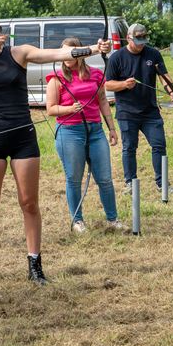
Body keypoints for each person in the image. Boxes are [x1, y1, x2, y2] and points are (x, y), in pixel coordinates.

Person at [0, 14, 111, 286]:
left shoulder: (19, 53)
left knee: (29, 203)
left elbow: (56, 53)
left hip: (22, 136)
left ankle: (35, 264)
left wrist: (92, 49)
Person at [45, 37, 123, 234]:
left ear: (81, 53)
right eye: (63, 52)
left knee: (105, 178)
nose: (67, 57)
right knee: (74, 178)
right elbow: (51, 109)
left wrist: (112, 128)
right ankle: (77, 221)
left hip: (95, 131)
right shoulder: (56, 79)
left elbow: (103, 101)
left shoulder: (96, 75)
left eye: (71, 52)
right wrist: (69, 108)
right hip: (69, 132)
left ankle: (113, 219)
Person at [105, 23, 173, 195]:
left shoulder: (153, 54)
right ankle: (130, 183)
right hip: (127, 112)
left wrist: (172, 91)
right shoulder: (117, 57)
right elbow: (108, 84)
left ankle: (162, 183)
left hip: (150, 111)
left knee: (159, 145)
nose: (141, 43)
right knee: (129, 148)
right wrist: (124, 84)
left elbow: (163, 76)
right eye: (138, 40)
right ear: (129, 38)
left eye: (144, 39)